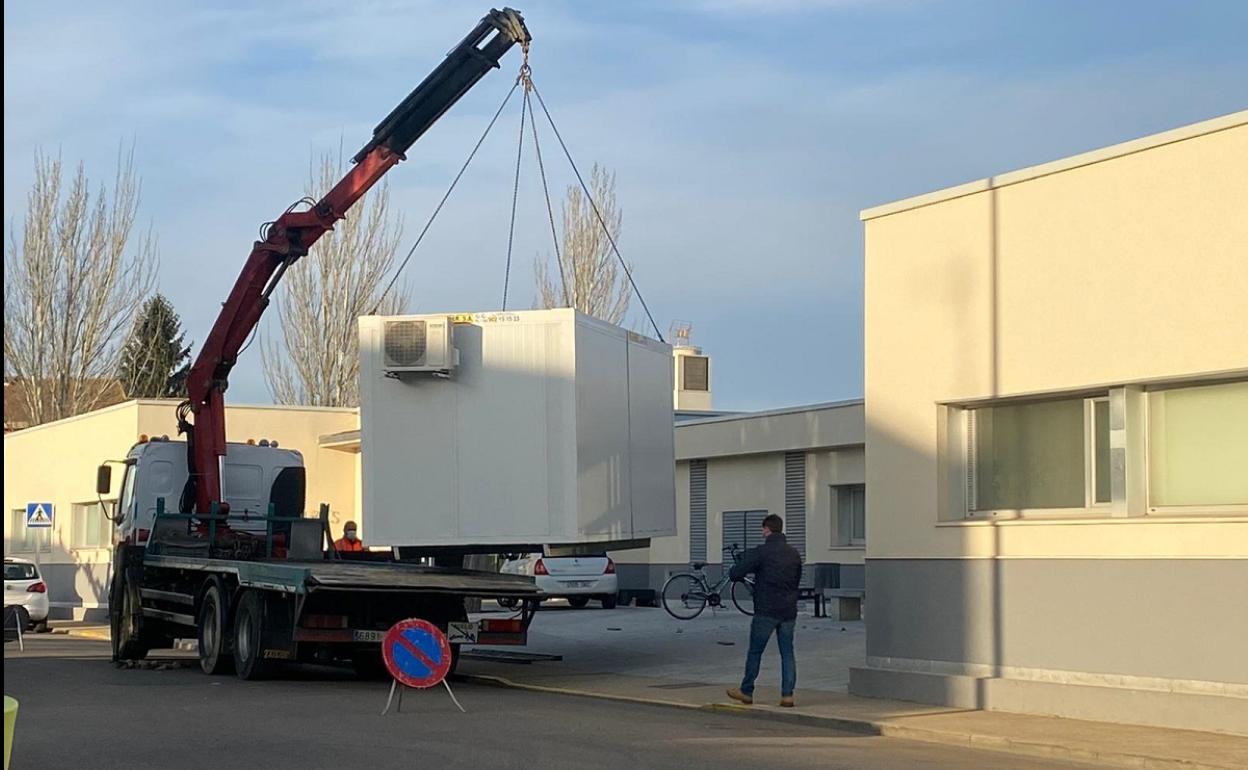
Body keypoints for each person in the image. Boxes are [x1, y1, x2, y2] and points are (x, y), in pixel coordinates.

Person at [726, 513, 802, 707]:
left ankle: (747, 691)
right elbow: (797, 580)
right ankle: (787, 695)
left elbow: (735, 573)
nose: (762, 532)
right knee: (787, 652)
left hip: (766, 610)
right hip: (788, 610)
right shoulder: (794, 553)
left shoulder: (761, 552)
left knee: (755, 652)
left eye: (762, 528)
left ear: (767, 529)